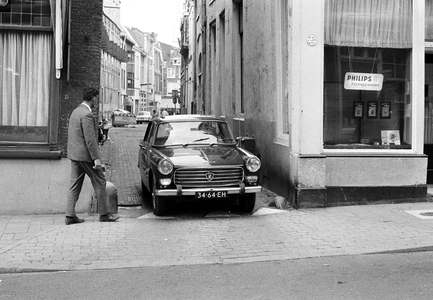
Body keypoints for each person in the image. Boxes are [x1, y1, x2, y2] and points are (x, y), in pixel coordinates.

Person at [65, 87, 119, 225]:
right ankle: (104, 214)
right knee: (100, 181)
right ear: (92, 98)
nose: (97, 100)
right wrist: (96, 159)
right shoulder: (87, 115)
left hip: (74, 155)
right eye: (96, 98)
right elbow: (90, 140)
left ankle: (69, 216)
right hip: (86, 157)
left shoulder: (75, 112)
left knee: (74, 185)